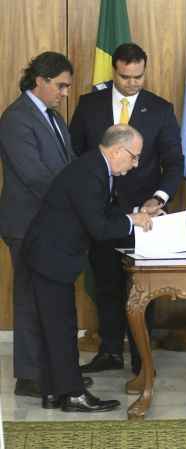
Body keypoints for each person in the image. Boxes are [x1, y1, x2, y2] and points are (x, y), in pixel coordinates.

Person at [69, 43, 184, 375]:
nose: (133, 82)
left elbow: (174, 163)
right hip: (99, 214)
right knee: (105, 285)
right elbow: (76, 155)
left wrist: (158, 198)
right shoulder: (89, 105)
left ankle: (140, 356)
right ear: (114, 71)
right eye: (126, 76)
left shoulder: (160, 109)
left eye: (139, 76)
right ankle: (110, 352)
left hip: (143, 217)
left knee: (141, 289)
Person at [23, 124, 154, 412]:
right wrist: (134, 220)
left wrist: (136, 215)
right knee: (60, 326)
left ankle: (53, 391)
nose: (135, 163)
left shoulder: (97, 168)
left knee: (55, 326)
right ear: (118, 150)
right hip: (51, 256)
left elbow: (102, 214)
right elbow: (99, 227)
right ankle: (72, 395)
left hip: (52, 254)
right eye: (134, 157)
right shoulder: (91, 173)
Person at [0, 52, 82, 399]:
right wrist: (75, 199)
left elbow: (69, 167)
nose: (65, 93)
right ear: (40, 81)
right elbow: (34, 175)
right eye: (60, 85)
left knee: (50, 301)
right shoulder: (16, 118)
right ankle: (30, 377)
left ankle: (56, 374)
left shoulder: (54, 118)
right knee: (29, 300)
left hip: (52, 226)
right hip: (27, 225)